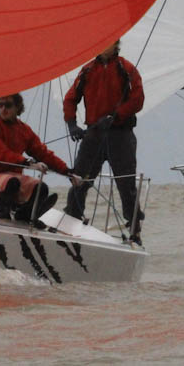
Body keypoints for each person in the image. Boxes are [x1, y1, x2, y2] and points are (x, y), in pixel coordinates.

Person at [63, 39, 145, 234]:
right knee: (79, 179)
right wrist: (72, 124)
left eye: (108, 42)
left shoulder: (126, 68)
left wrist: (116, 115)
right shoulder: (87, 70)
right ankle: (71, 220)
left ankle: (134, 229)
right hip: (94, 135)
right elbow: (70, 99)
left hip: (121, 135)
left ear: (116, 45)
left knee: (125, 184)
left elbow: (138, 99)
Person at [0, 93, 82, 225]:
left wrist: (67, 172)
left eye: (8, 105)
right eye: (0, 105)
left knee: (41, 188)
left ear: (17, 107)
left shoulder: (24, 130)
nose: (3, 109)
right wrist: (27, 162)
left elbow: (43, 153)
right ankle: (3, 212)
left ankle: (24, 214)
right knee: (12, 182)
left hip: (12, 180)